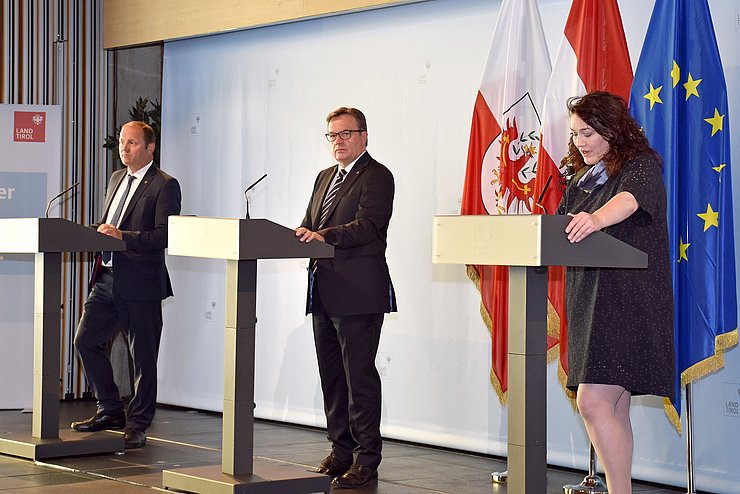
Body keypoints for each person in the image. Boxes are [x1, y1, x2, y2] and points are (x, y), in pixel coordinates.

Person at [558, 91, 675, 494]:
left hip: (630, 300)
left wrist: (595, 219)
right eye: (574, 135)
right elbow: (557, 232)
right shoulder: (579, 180)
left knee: (592, 401)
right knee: (612, 404)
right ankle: (620, 491)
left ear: (611, 128)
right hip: (589, 298)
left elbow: (629, 202)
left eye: (587, 132)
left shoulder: (639, 166)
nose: (580, 142)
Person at [295, 107, 396, 489]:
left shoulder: (377, 176)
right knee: (333, 379)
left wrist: (324, 236)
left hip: (359, 293)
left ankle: (366, 459)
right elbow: (310, 223)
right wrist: (298, 234)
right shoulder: (324, 177)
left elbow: (369, 226)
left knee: (360, 381)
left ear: (364, 136)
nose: (338, 141)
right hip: (323, 290)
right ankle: (340, 452)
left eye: (346, 134)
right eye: (333, 135)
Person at [71, 121, 182, 449]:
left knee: (143, 358)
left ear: (150, 148)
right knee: (85, 341)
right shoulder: (116, 178)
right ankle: (110, 409)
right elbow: (112, 223)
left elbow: (165, 234)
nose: (124, 148)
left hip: (141, 282)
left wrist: (123, 237)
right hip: (106, 277)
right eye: (122, 142)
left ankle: (138, 423)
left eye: (132, 143)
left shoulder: (165, 185)